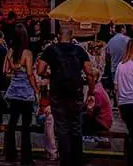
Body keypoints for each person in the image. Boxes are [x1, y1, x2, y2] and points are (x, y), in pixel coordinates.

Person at [38, 28, 95, 166]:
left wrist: (51, 75)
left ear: (58, 36)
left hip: (58, 93)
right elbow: (90, 73)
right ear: (72, 36)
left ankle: (65, 161)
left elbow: (40, 70)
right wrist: (91, 92)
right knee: (76, 127)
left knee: (62, 128)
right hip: (76, 93)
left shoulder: (51, 50)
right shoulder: (80, 51)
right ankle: (77, 160)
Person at [3, 24, 38, 164]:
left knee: (12, 122)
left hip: (13, 90)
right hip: (26, 91)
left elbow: (5, 71)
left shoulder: (10, 51)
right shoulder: (27, 53)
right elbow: (30, 74)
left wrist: (14, 72)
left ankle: (10, 153)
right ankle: (26, 157)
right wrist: (36, 89)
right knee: (26, 125)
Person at [82, 68, 113, 137]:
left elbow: (94, 110)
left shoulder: (96, 91)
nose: (86, 78)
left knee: (81, 120)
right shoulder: (96, 88)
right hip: (101, 119)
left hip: (102, 121)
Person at [105, 25, 129, 98]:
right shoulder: (128, 40)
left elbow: (107, 57)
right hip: (127, 68)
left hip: (114, 68)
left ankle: (118, 104)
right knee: (126, 88)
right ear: (122, 29)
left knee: (117, 88)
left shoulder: (110, 41)